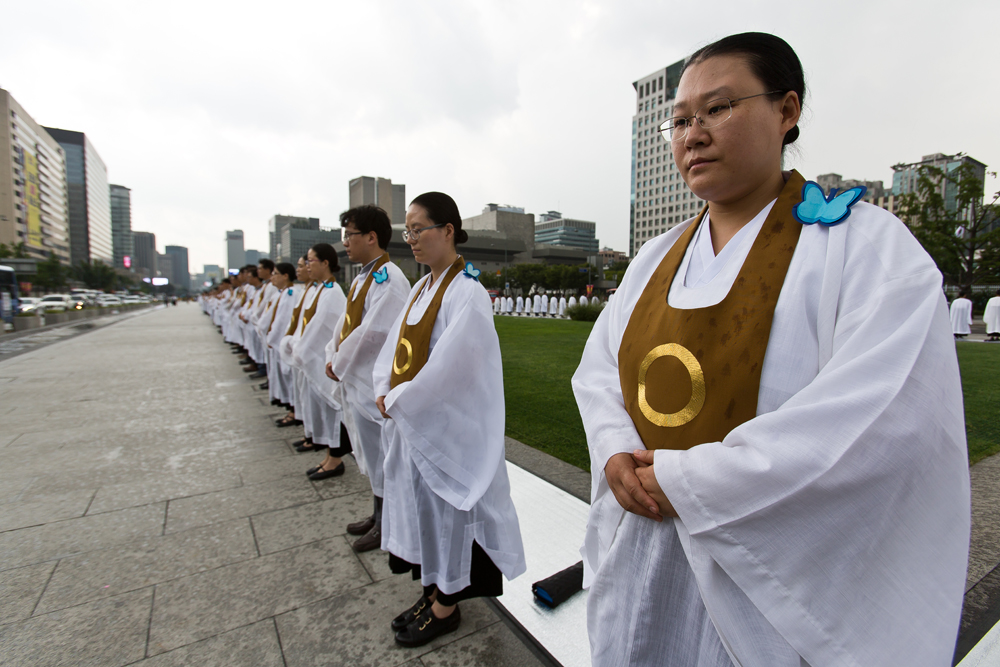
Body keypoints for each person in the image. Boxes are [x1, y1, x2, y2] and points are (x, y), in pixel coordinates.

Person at [572, 32, 969, 667]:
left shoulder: (865, 247)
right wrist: (614, 447)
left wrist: (690, 480)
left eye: (719, 109)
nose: (692, 134)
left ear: (787, 112)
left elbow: (882, 419)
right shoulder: (654, 257)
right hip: (644, 544)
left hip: (764, 582)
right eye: (679, 120)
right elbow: (598, 373)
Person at [373, 192, 525, 648]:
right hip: (416, 423)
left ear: (449, 231)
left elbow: (454, 369)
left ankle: (447, 606)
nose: (412, 239)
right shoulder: (421, 288)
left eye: (419, 229)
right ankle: (433, 591)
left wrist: (400, 398)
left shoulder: (467, 292)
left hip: (449, 431)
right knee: (427, 515)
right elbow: (393, 348)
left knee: (451, 518)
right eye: (408, 231)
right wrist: (384, 388)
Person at [325, 205, 410, 552]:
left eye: (350, 235)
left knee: (382, 456)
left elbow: (372, 332)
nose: (345, 242)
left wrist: (339, 361)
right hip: (355, 379)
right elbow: (345, 325)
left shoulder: (389, 278)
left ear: (371, 238)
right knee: (371, 455)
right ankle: (378, 515)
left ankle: (388, 521)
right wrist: (333, 355)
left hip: (372, 383)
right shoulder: (363, 277)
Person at [291, 243, 349, 476]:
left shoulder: (333, 292)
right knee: (324, 411)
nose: (307, 265)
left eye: (311, 260)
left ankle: (335, 459)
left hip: (327, 360)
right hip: (318, 358)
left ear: (326, 263)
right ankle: (328, 455)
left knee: (333, 412)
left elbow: (322, 330)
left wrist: (301, 349)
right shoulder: (321, 290)